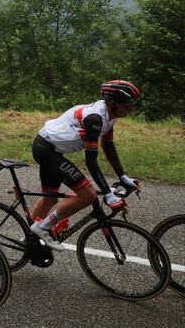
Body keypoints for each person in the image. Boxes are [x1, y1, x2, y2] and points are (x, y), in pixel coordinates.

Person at [29, 80, 142, 251]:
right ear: (112, 103)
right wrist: (108, 195)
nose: (131, 109)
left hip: (51, 148)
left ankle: (28, 241)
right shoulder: (95, 119)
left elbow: (108, 145)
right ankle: (42, 227)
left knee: (50, 198)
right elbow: (91, 162)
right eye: (128, 105)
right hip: (46, 149)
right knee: (88, 195)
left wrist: (123, 177)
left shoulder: (110, 115)